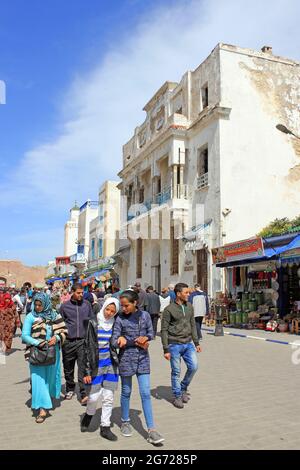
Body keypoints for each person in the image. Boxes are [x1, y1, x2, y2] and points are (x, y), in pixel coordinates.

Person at [111, 290, 164, 445]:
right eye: (122, 305)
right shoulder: (119, 318)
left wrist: (146, 338)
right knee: (126, 391)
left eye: (126, 305)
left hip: (142, 359)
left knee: (145, 393)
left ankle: (151, 430)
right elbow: (114, 341)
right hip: (126, 359)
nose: (123, 308)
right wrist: (129, 341)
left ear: (135, 303)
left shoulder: (145, 316)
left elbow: (151, 333)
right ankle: (125, 421)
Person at [21, 293, 67, 423]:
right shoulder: (31, 316)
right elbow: (24, 336)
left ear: (46, 303)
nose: (37, 307)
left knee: (50, 379)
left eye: (40, 305)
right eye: (35, 304)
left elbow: (63, 330)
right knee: (38, 380)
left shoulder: (54, 315)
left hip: (53, 352)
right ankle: (42, 408)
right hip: (36, 352)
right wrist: (38, 343)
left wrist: (57, 337)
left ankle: (46, 399)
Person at [81, 298, 120, 441]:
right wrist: (86, 371)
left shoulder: (115, 323)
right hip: (95, 365)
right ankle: (89, 415)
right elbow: (86, 347)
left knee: (108, 397)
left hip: (110, 364)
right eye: (107, 309)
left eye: (113, 311)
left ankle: (105, 427)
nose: (109, 313)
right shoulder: (93, 322)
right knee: (93, 397)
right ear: (103, 307)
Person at [161, 283, 201, 409]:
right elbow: (164, 330)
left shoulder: (189, 306)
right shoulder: (169, 310)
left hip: (188, 343)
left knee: (194, 367)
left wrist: (196, 342)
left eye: (189, 292)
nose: (189, 295)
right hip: (174, 345)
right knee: (176, 371)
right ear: (178, 294)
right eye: (186, 293)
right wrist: (166, 349)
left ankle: (183, 387)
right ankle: (177, 396)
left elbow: (193, 325)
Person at [60, 283, 93, 405]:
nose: (80, 295)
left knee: (83, 367)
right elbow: (60, 324)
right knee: (68, 368)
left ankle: (83, 393)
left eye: (82, 292)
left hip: (82, 342)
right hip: (68, 342)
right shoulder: (64, 307)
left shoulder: (87, 305)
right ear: (72, 292)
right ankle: (69, 388)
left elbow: (92, 321)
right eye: (78, 293)